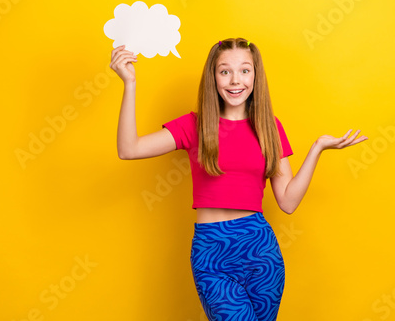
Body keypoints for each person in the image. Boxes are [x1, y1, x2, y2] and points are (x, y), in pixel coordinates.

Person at [110, 37, 367, 321]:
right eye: (225, 71)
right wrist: (130, 84)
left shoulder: (269, 127)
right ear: (213, 77)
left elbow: (289, 202)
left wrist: (317, 148)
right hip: (211, 252)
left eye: (245, 70)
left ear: (256, 76)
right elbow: (129, 149)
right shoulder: (194, 125)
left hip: (260, 250)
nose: (235, 80)